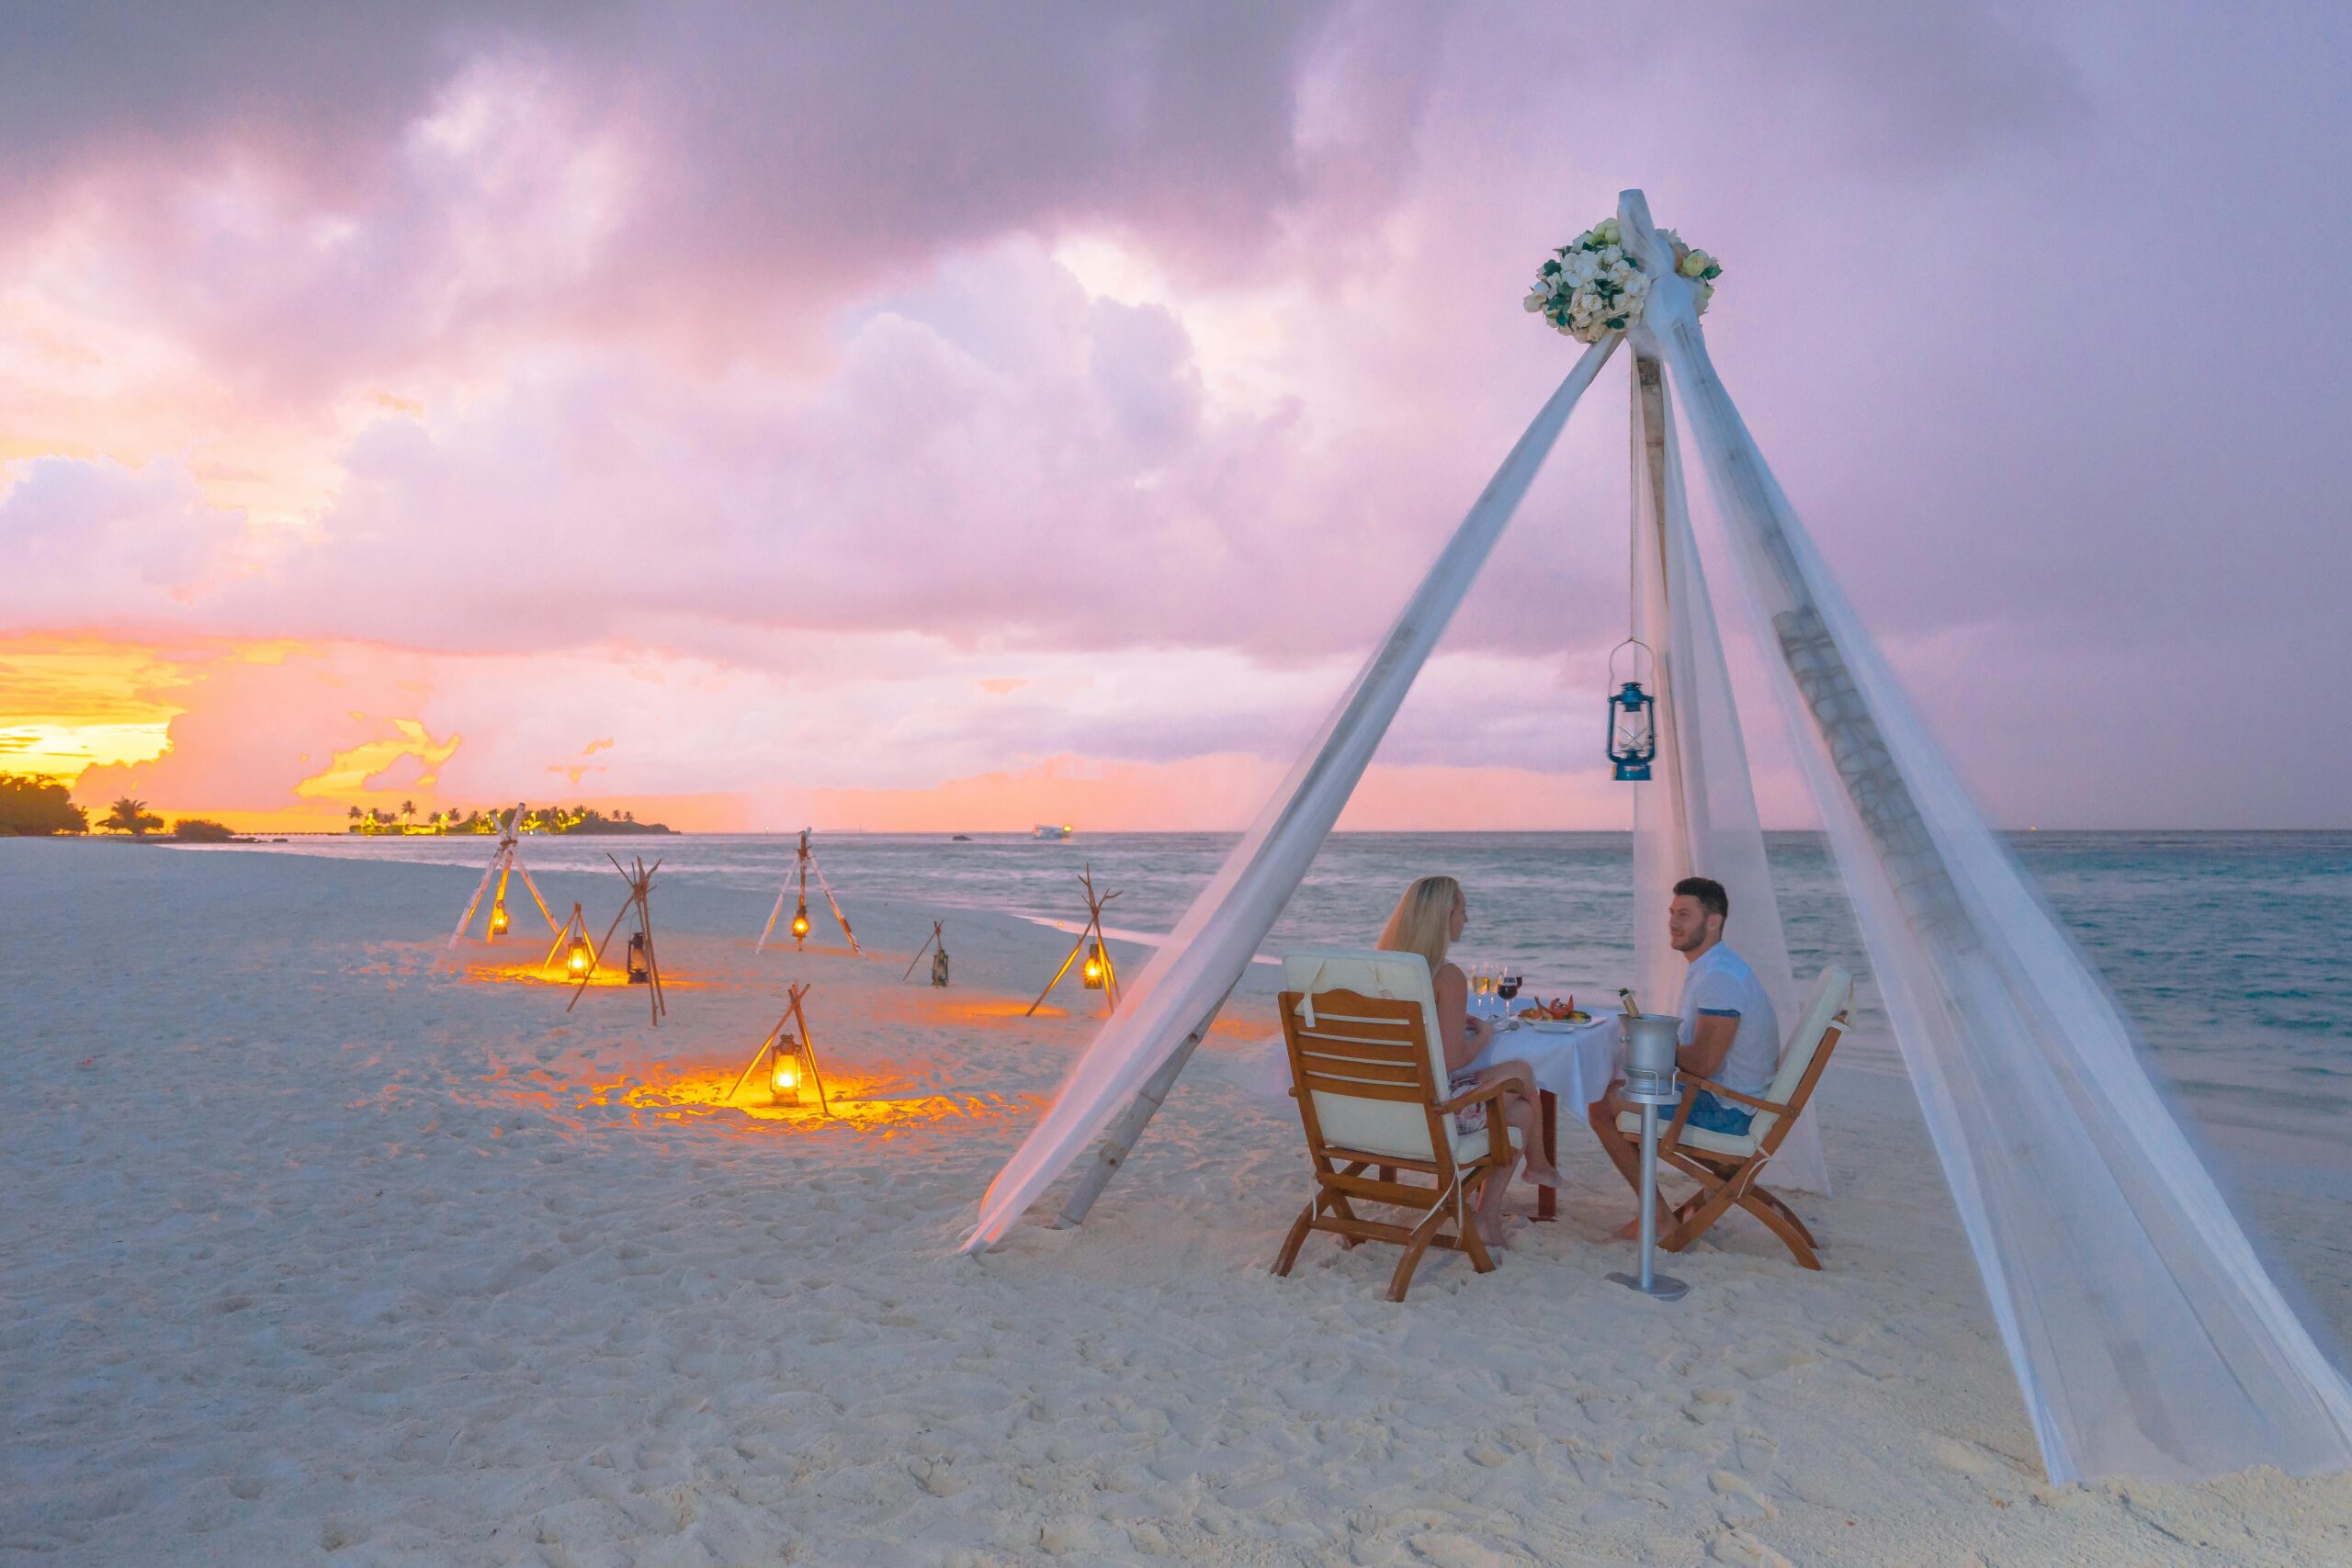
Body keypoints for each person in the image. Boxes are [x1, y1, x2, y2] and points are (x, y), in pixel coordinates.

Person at [1587, 875, 1781, 1240]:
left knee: (1602, 1106)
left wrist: (1649, 1040)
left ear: (1713, 921)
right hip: (1728, 1097)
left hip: (1731, 1113)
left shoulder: (1720, 977)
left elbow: (1704, 1062)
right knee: (1622, 1090)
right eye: (1672, 913)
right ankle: (1656, 1213)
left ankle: (1657, 1217)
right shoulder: (1714, 967)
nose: (1674, 923)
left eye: (1686, 914)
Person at [1376, 875, 1561, 1247]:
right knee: (1521, 1074)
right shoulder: (1446, 975)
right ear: (1443, 916)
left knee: (1522, 1111)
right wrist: (1486, 1037)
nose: (1467, 918)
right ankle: (1535, 1165)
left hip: (1382, 1112)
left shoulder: (1383, 968)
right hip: (1431, 1118)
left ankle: (1488, 1215)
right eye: (1463, 909)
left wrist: (1445, 1023)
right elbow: (1450, 1060)